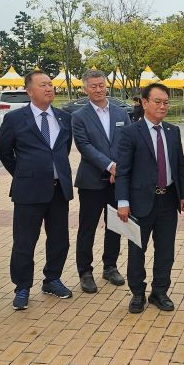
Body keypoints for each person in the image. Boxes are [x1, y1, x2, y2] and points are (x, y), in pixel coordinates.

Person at [0, 70, 74, 310]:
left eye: (50, 84)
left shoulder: (64, 117)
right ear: (29, 91)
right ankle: (22, 287)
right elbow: (5, 153)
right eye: (43, 85)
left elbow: (63, 149)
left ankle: (52, 279)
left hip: (58, 190)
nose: (49, 88)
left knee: (59, 239)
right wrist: (24, 173)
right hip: (28, 191)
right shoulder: (15, 119)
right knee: (24, 241)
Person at [116, 83, 184, 314]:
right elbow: (123, 170)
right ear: (144, 102)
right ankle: (137, 293)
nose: (162, 106)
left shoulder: (172, 131)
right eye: (157, 101)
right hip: (139, 202)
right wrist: (123, 202)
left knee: (165, 250)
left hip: (168, 199)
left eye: (166, 102)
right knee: (137, 250)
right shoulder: (130, 132)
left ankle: (159, 291)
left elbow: (179, 165)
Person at [71, 69, 129, 293]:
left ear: (107, 86)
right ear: (85, 88)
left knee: (115, 225)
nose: (98, 89)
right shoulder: (79, 116)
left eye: (101, 85)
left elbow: (127, 143)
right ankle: (85, 271)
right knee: (88, 227)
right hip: (91, 181)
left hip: (117, 181)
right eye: (93, 86)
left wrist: (120, 168)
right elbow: (84, 146)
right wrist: (110, 165)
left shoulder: (121, 113)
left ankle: (110, 266)